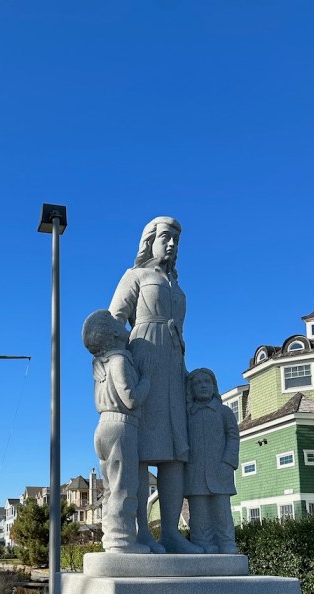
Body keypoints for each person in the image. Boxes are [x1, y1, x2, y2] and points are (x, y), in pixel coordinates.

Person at [109, 216, 201, 553]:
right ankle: (140, 532)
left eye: (177, 239)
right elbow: (113, 321)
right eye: (166, 237)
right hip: (143, 357)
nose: (173, 244)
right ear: (150, 240)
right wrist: (117, 367)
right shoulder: (135, 276)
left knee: (175, 453)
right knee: (140, 452)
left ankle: (173, 534)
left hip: (174, 365)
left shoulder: (178, 287)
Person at [82, 310, 153, 553]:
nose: (121, 323)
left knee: (112, 488)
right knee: (124, 485)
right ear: (113, 333)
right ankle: (121, 541)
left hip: (103, 428)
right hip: (121, 426)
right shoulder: (119, 361)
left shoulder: (101, 364)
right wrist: (146, 380)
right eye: (116, 322)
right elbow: (131, 399)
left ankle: (112, 538)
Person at [184, 368, 240, 554]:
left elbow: (233, 437)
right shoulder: (187, 414)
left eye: (206, 382)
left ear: (213, 385)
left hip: (220, 470)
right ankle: (202, 543)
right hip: (194, 471)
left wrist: (228, 462)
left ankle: (227, 543)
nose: (202, 386)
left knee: (222, 512)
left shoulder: (224, 412)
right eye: (197, 383)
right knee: (198, 514)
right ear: (191, 389)